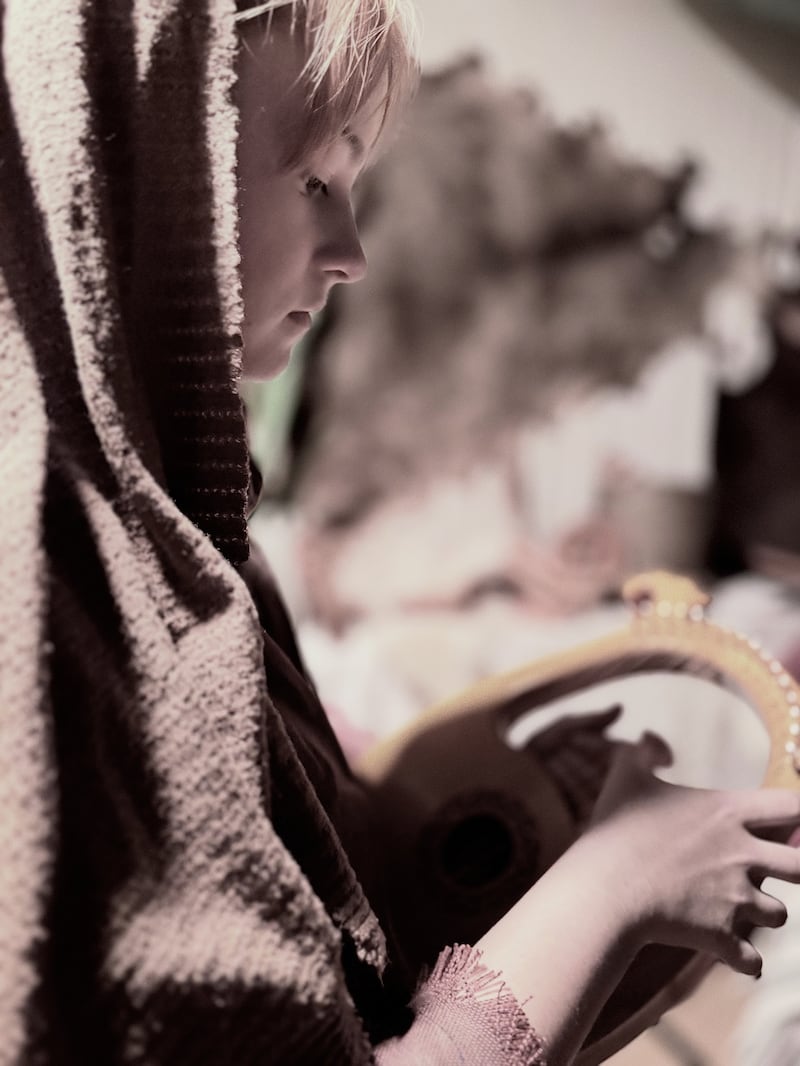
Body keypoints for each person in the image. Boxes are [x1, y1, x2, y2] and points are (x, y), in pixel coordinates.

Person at [2, 1, 800, 1063]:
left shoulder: (190, 530)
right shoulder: (50, 591)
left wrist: (427, 811)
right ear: (142, 171)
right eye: (314, 181)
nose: (351, 255)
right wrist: (618, 879)